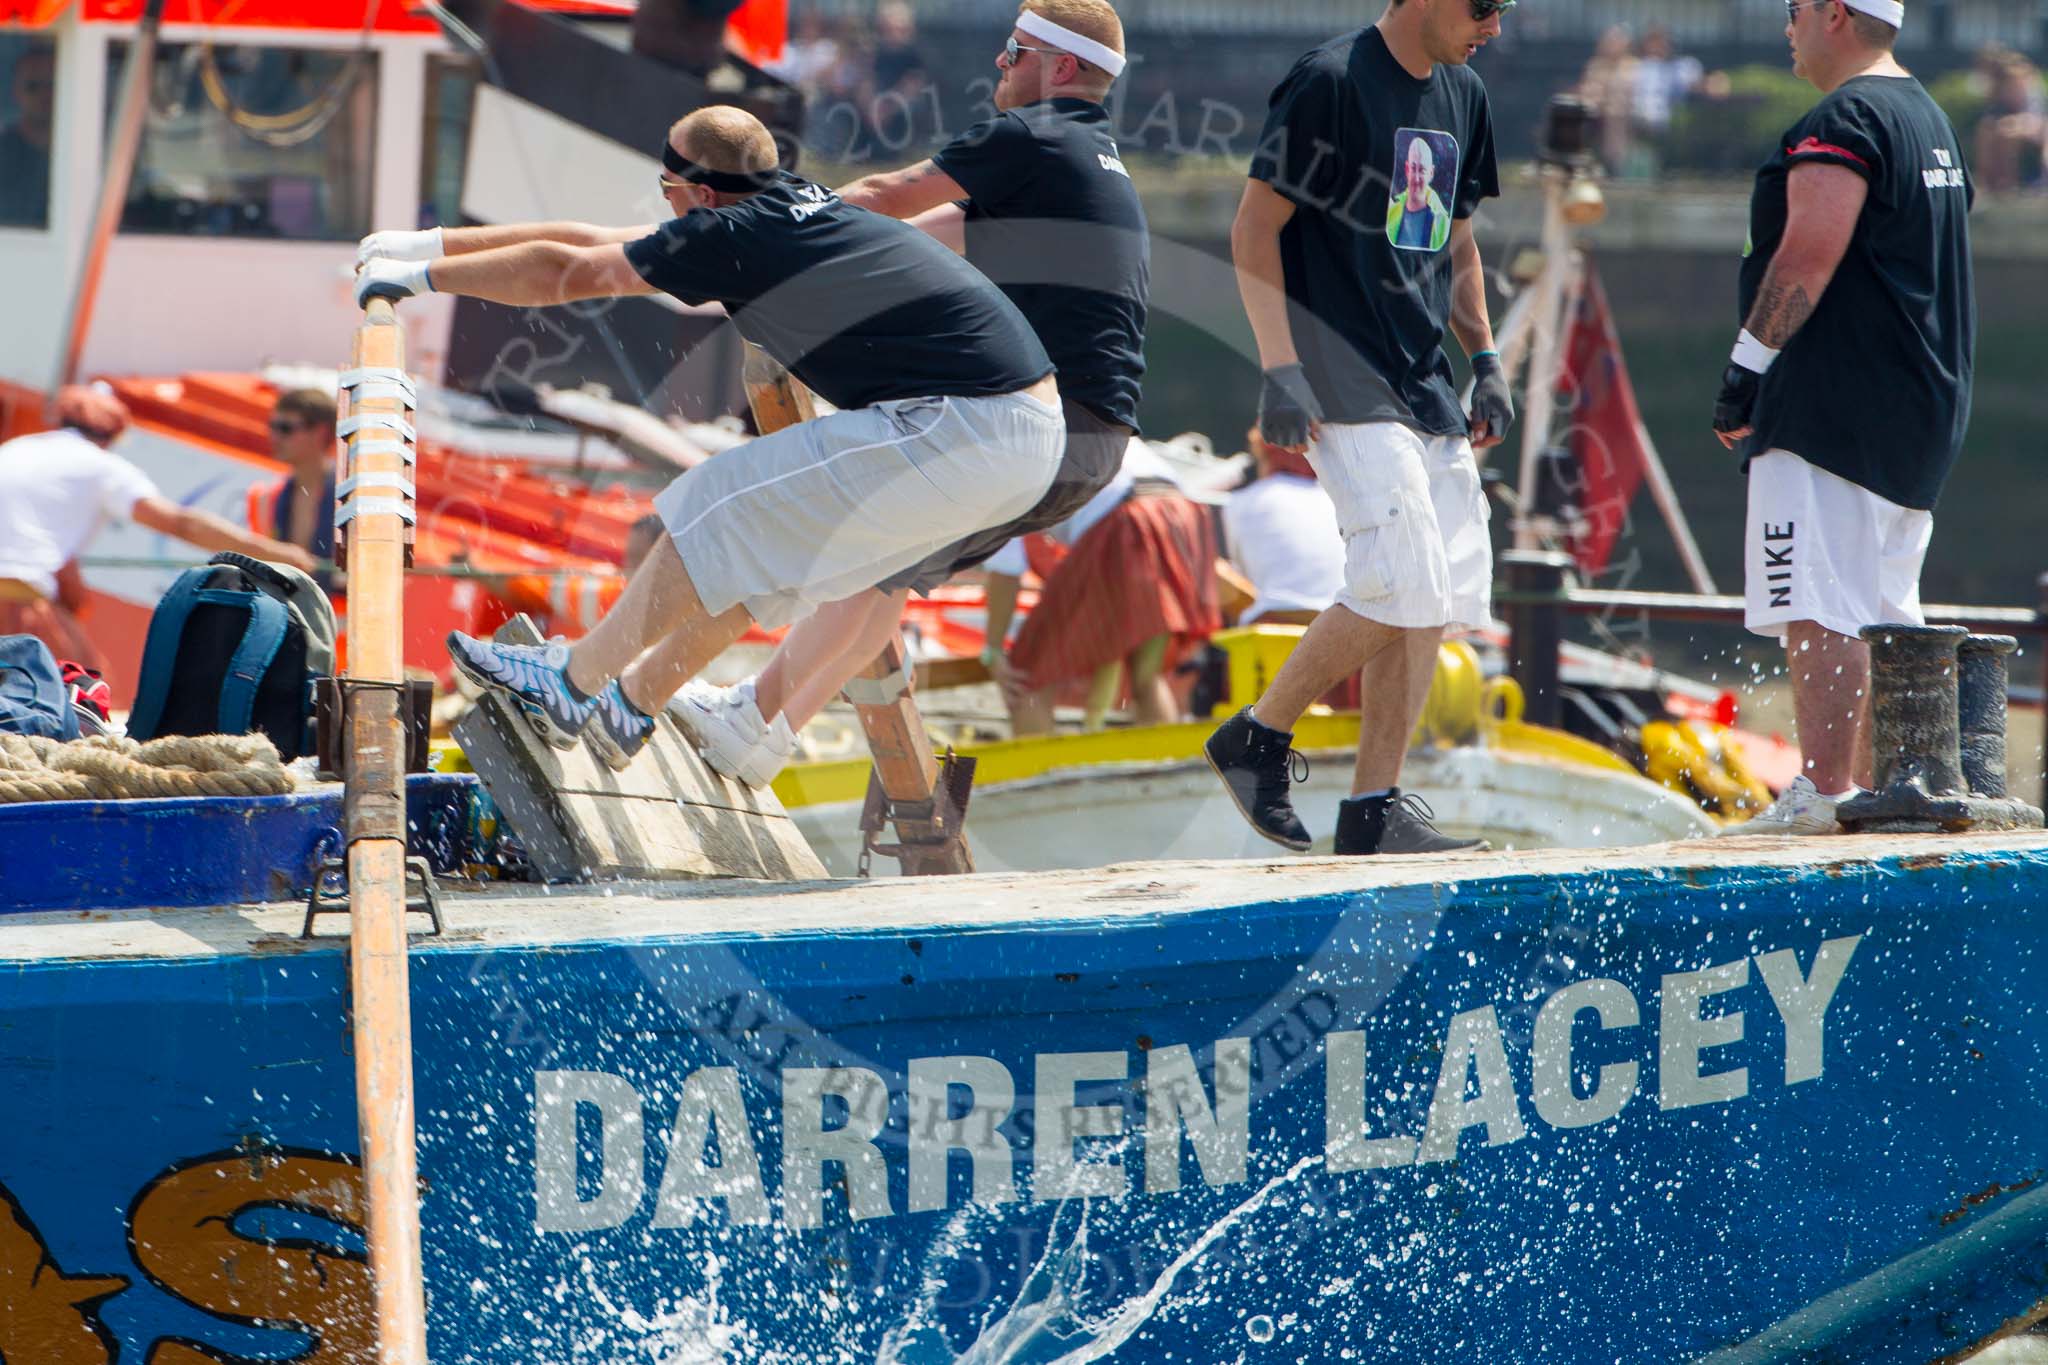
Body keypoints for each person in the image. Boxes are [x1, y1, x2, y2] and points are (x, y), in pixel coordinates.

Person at [354, 105, 1063, 770]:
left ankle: (573, 681)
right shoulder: (786, 206)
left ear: (698, 192)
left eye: (666, 186)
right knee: (780, 559)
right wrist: (425, 248)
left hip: (966, 420)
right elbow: (591, 239)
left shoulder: (731, 234)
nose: (663, 202)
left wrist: (420, 280)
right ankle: (632, 705)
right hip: (1023, 437)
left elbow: (566, 272)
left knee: (715, 502)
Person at [674, 0, 1149, 787]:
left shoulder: (1034, 134)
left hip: (1047, 427)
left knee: (863, 540)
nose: (1000, 63)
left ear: (1059, 69)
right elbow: (928, 238)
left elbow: (886, 197)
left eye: (1015, 50)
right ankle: (763, 729)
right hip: (1094, 441)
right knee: (888, 564)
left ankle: (746, 715)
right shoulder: (1083, 160)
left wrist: (761, 235)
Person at [1202, 0, 1516, 858]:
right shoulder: (1329, 82)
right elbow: (1253, 228)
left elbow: (1459, 245)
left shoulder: (1465, 94)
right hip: (1335, 362)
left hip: (1423, 370)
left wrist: (1484, 357)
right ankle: (1257, 736)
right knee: (1402, 571)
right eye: (1483, 4)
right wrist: (1280, 369)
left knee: (1443, 590)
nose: (1494, 22)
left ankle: (1374, 807)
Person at [1712, 0, 1974, 834]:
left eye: (1793, 10)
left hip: (1833, 405)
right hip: (1914, 407)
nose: (1785, 27)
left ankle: (1822, 792)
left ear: (1834, 14)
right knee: (1880, 606)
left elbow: (1807, 254)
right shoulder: (1928, 117)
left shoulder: (1850, 115)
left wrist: (1744, 372)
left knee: (1818, 599)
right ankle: (1875, 796)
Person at [0, 386, 317, 673]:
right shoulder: (100, 467)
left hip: (18, 590)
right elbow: (184, 524)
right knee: (81, 688)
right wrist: (278, 555)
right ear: (111, 436)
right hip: (14, 598)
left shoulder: (16, 450)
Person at [983, 439, 1217, 736]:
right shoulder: (1060, 410)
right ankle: (1163, 770)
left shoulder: (1002, 454)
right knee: (1146, 673)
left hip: (1128, 519)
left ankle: (1039, 777)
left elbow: (1005, 571)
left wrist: (993, 650)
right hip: (1183, 514)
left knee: (1026, 672)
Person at [1222, 426, 1344, 628]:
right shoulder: (1337, 501)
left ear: (1265, 455)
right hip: (1341, 622)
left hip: (1274, 629)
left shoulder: (1241, 502)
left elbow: (1243, 575)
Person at [246, 389, 340, 594]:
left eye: (285, 428)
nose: (274, 436)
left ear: (320, 433)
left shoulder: (353, 500)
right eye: (272, 427)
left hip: (339, 622)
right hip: (287, 616)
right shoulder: (264, 498)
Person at [0, 43, 55, 228]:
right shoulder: (3, 154)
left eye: (51, 85)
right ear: (16, 92)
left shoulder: (83, 153)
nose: (44, 94)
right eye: (33, 86)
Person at [1388, 134, 1452, 251]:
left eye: (1422, 170)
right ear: (1407, 169)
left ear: (1431, 173)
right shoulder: (1390, 212)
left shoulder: (1442, 222)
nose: (1416, 178)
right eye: (1413, 168)